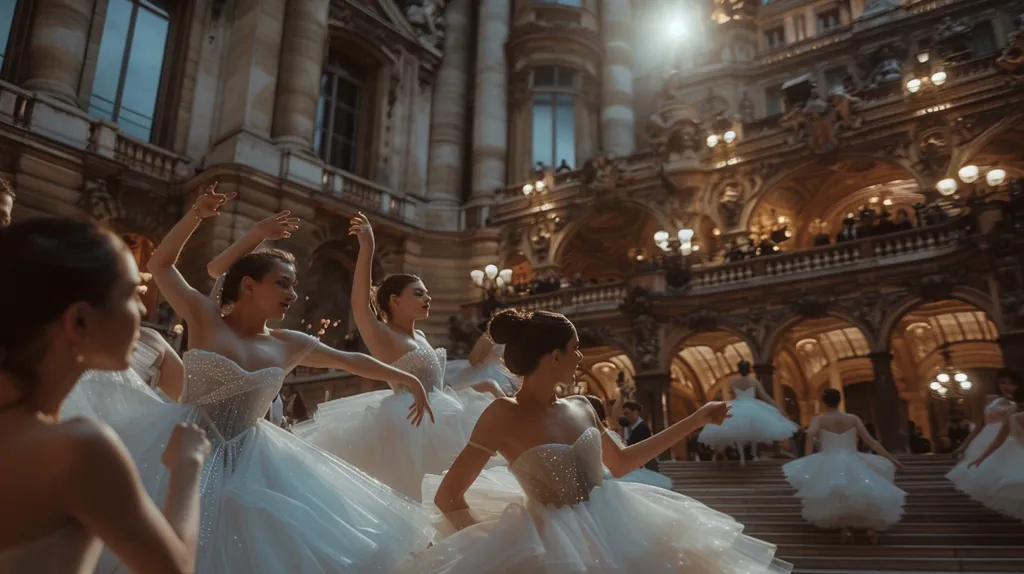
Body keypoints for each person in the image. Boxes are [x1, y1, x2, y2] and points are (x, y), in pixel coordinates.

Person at [91, 184, 436, 573]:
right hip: (179, 446)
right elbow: (161, 266)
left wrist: (408, 378)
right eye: (283, 283)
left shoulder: (289, 343)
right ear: (249, 285)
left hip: (253, 463)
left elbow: (352, 359)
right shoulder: (205, 318)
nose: (293, 292)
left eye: (293, 284)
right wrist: (197, 214)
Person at [401, 308, 792, 573]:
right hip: (553, 545)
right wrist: (497, 548)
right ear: (554, 356)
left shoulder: (581, 406)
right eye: (575, 350)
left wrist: (699, 417)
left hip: (622, 522)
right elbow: (448, 497)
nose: (581, 357)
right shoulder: (502, 414)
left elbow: (621, 463)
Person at [0, 218, 210, 573]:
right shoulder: (79, 449)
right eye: (130, 294)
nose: (144, 311)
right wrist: (187, 465)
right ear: (80, 321)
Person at [293, 213, 506, 501]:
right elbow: (359, 305)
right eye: (418, 294)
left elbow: (436, 386)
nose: (427, 298)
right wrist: (367, 247)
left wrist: (483, 388)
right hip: (409, 425)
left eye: (427, 293)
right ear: (394, 300)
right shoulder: (384, 335)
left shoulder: (420, 337)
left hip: (439, 416)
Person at [782, 388, 905, 545]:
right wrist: (892, 459)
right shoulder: (852, 418)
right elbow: (872, 442)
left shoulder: (819, 420)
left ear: (823, 402)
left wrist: (808, 458)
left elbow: (809, 434)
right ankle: (869, 528)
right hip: (853, 458)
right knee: (861, 493)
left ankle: (846, 528)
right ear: (840, 400)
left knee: (837, 495)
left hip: (829, 460)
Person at [698, 360, 798, 465]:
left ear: (739, 370)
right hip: (752, 406)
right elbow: (765, 397)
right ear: (749, 370)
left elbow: (731, 397)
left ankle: (742, 456)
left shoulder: (733, 383)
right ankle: (753, 454)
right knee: (753, 431)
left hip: (738, 406)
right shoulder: (754, 382)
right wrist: (779, 408)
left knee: (739, 432)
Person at [947, 369, 1020, 496]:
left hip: (1008, 438)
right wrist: (964, 445)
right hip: (984, 439)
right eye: (1003, 382)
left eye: (1011, 383)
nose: (1006, 386)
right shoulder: (992, 400)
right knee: (979, 472)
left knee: (1003, 474)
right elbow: (979, 425)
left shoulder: (1017, 404)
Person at [961, 382, 1024, 521]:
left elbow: (998, 441)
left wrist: (981, 458)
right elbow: (998, 440)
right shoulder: (1015, 418)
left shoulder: (1012, 418)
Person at [621, 400, 659, 471]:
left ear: (635, 412)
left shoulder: (642, 428)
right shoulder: (635, 428)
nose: (625, 417)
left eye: (626, 413)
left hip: (647, 468)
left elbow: (637, 450)